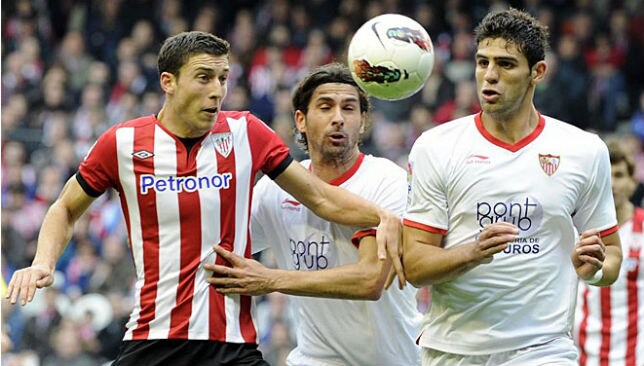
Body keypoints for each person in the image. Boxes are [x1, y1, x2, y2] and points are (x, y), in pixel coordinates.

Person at [5, 31, 403, 366]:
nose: (217, 91)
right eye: (204, 77)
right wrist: (43, 261)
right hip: (152, 337)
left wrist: (381, 216)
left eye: (223, 78)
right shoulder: (122, 143)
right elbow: (65, 207)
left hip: (233, 343)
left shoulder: (247, 133)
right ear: (168, 82)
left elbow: (322, 199)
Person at [402, 8, 623, 366]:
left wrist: (595, 269)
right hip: (454, 348)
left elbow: (611, 253)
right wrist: (472, 253)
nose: (489, 76)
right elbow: (414, 266)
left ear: (537, 72)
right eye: (482, 62)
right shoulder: (436, 147)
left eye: (505, 65)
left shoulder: (584, 151)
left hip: (544, 348)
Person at [204, 63, 422, 366]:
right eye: (325, 107)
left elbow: (370, 280)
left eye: (349, 109)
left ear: (362, 123)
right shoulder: (274, 191)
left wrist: (271, 279)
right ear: (301, 120)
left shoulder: (385, 179)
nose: (338, 118)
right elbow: (219, 249)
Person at [574, 139, 643, 365]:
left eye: (619, 175)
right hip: (580, 355)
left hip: (634, 356)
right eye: (606, 176)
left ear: (633, 183)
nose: (611, 184)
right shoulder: (575, 230)